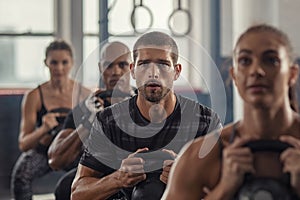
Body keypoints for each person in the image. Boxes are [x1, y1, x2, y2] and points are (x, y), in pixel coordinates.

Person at [71, 31, 222, 200]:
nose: (153, 73)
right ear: (133, 71)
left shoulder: (205, 121)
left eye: (163, 64)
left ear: (177, 71)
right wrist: (118, 178)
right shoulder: (109, 121)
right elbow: (77, 194)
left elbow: (228, 187)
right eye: (143, 64)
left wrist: (186, 178)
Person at [162, 24, 300, 200]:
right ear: (234, 75)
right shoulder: (200, 156)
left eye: (271, 60)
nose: (256, 71)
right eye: (245, 61)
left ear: (292, 74)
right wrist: (224, 188)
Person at [47, 41, 136, 200]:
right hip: (98, 174)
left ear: (132, 67)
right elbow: (55, 159)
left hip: (137, 171)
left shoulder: (146, 102)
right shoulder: (86, 108)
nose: (115, 71)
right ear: (101, 68)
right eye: (109, 65)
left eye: (122, 65)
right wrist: (89, 121)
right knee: (65, 187)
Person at [10, 40, 89, 200]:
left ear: (72, 63)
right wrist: (43, 128)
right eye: (54, 62)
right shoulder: (34, 96)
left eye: (64, 62)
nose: (59, 68)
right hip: (44, 151)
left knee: (93, 173)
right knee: (21, 176)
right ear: (46, 63)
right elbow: (24, 144)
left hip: (71, 151)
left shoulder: (84, 94)